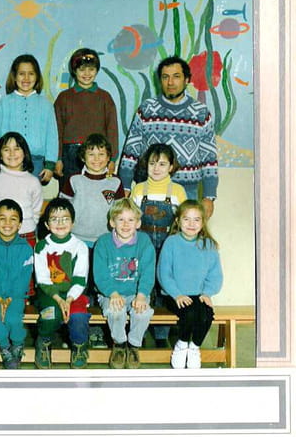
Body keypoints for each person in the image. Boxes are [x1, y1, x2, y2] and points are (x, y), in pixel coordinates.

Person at [118, 55, 218, 218]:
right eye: (165, 77)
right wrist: (125, 186)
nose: (170, 82)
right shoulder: (146, 109)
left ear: (187, 80)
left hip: (187, 190)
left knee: (185, 232)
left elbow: (209, 157)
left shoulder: (201, 113)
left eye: (176, 76)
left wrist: (209, 196)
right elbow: (131, 151)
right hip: (149, 188)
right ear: (160, 80)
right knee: (146, 232)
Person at [129, 143, 188, 347]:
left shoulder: (178, 191)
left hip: (168, 245)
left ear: (171, 167)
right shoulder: (138, 189)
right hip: (142, 245)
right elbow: (131, 218)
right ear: (146, 165)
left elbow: (183, 221)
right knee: (143, 285)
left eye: (162, 164)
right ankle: (140, 332)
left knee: (164, 286)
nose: (156, 168)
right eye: (152, 163)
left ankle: (162, 334)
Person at [158, 200, 223, 369]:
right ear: (178, 221)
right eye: (186, 219)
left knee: (206, 314)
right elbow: (164, 273)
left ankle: (194, 347)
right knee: (190, 313)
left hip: (199, 295)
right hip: (174, 295)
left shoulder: (208, 245)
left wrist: (207, 293)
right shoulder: (171, 242)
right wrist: (176, 294)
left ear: (203, 222)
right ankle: (181, 344)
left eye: (196, 219)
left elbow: (215, 274)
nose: (191, 224)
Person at [93, 198, 156, 369]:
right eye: (121, 219)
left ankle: (134, 345)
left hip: (137, 293)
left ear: (138, 223)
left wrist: (141, 295)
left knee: (143, 313)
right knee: (115, 311)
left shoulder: (144, 242)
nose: (126, 224)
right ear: (112, 222)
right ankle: (119, 345)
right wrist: (112, 293)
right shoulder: (103, 243)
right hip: (111, 293)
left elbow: (148, 272)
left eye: (130, 220)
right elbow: (100, 274)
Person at [32, 198, 90, 369]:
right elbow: (42, 279)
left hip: (74, 293)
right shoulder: (41, 247)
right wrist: (59, 299)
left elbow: (80, 278)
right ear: (47, 224)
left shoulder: (80, 246)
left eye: (65, 218)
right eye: (54, 219)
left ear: (73, 222)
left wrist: (69, 299)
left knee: (78, 317)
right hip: (50, 293)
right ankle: (44, 342)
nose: (60, 223)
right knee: (51, 315)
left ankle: (79, 347)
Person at [0, 199, 34, 369]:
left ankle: (17, 343)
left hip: (16, 294)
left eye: (13, 219)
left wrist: (10, 298)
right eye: (2, 218)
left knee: (13, 318)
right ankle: (4, 346)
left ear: (20, 224)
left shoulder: (26, 248)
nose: (7, 223)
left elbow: (24, 277)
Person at [53, 48, 119, 190]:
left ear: (97, 71)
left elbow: (112, 130)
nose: (87, 74)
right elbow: (56, 131)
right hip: (70, 154)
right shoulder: (64, 98)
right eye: (82, 69)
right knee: (69, 192)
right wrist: (57, 159)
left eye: (91, 69)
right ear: (74, 71)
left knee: (95, 191)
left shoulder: (105, 98)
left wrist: (112, 159)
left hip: (97, 154)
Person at [0, 54, 58, 184]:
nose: (26, 78)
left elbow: (52, 137)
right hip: (9, 161)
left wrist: (50, 165)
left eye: (31, 74)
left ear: (37, 77)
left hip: (36, 162)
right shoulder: (4, 103)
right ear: (14, 77)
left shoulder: (46, 105)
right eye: (21, 74)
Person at [0, 132, 43, 247]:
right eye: (6, 149)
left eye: (16, 149)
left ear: (25, 153)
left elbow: (36, 211)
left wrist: (27, 226)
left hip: (25, 235)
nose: (12, 153)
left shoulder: (33, 182)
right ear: (0, 154)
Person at [60, 133, 124, 247]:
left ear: (108, 157)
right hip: (76, 239)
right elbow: (62, 209)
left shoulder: (115, 182)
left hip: (107, 240)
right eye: (91, 154)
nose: (96, 159)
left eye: (101, 154)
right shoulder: (73, 180)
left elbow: (121, 212)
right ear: (83, 157)